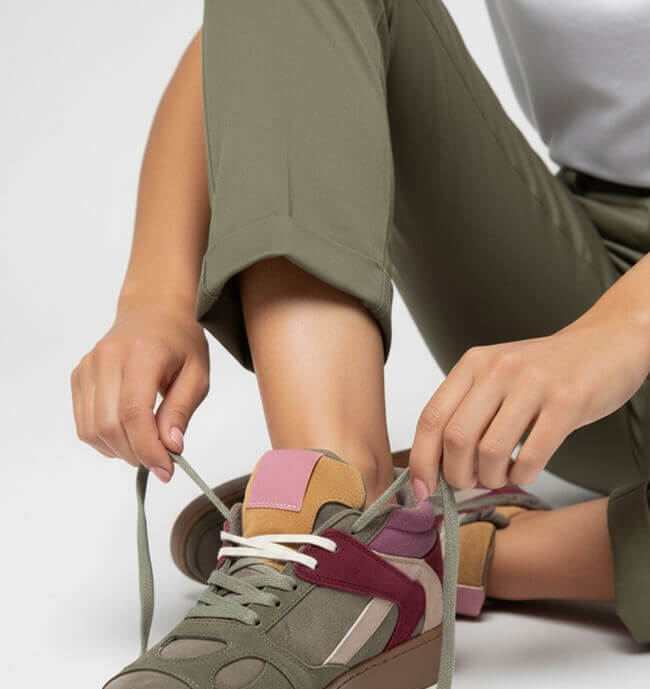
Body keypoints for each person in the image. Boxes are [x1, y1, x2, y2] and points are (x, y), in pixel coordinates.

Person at [71, 0, 650, 647]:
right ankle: (350, 522)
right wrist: (155, 297)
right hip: (582, 260)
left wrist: (626, 329)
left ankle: (453, 554)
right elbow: (273, 30)